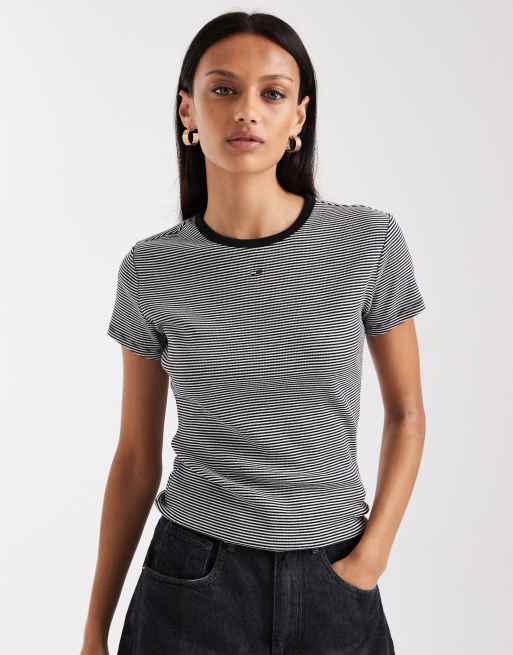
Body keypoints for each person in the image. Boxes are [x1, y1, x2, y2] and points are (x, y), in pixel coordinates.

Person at [81, 11, 427, 655]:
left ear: (298, 117)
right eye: (223, 89)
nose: (247, 111)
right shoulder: (152, 268)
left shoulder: (368, 243)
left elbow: (407, 414)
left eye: (272, 93)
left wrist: (370, 559)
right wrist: (94, 628)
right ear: (187, 110)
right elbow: (134, 457)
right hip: (191, 582)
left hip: (335, 576)